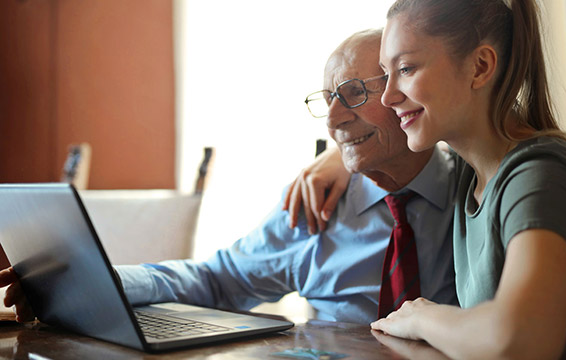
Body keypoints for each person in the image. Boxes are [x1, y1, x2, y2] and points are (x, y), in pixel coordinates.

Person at [0, 28, 457, 325]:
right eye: (328, 98)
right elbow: (217, 280)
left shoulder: (478, 189)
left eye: (354, 93)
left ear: (407, 91)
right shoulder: (315, 205)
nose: (333, 119)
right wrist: (99, 281)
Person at [288, 0, 566, 358]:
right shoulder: (475, 175)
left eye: (405, 69)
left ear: (480, 67)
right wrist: (344, 157)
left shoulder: (541, 175)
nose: (389, 97)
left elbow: (520, 341)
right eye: (385, 75)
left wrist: (421, 317)